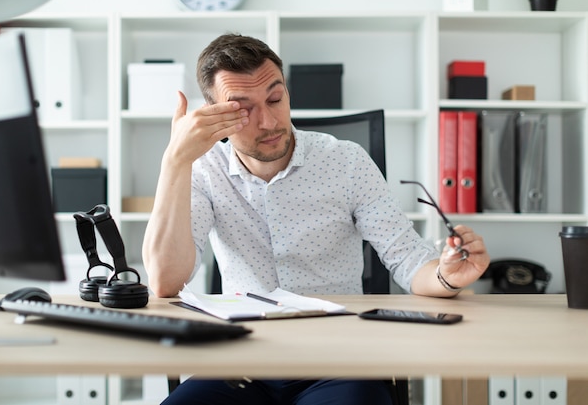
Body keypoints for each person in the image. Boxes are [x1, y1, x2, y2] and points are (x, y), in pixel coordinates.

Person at [142, 33, 490, 405]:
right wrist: (175, 160)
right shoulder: (202, 171)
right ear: (214, 113)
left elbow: (407, 258)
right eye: (243, 108)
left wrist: (446, 275)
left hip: (338, 362)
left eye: (276, 99)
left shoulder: (347, 161)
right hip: (238, 364)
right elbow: (166, 282)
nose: (268, 121)